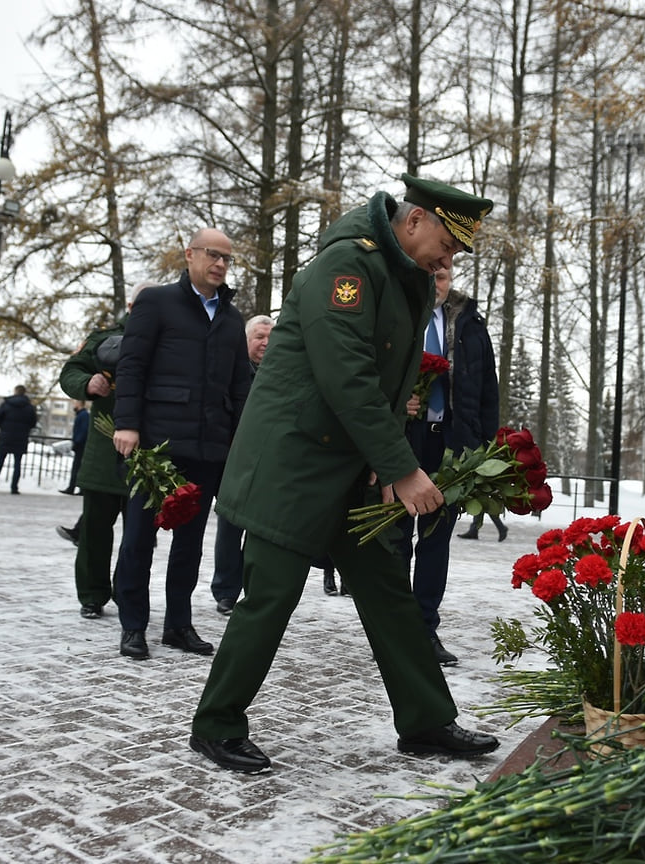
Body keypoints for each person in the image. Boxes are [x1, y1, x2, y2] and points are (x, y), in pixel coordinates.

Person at [189, 173, 500, 775]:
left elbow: (385, 382)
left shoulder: (399, 274)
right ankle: (216, 724)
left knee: (388, 592)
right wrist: (401, 467)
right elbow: (346, 376)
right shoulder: (347, 266)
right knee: (270, 597)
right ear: (414, 222)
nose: (451, 257)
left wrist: (384, 469)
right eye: (448, 242)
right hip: (294, 464)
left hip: (348, 470)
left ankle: (426, 720)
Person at [111, 230, 250, 660]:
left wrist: (241, 440)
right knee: (139, 537)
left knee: (189, 544)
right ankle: (133, 624)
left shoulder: (231, 319)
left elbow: (240, 386)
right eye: (213, 255)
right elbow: (132, 365)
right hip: (155, 446)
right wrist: (128, 424)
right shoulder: (157, 302)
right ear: (189, 255)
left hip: (207, 449)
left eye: (227, 258)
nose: (221, 264)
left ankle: (178, 625)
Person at [403, 267, 500, 667]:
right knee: (393, 540)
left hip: (451, 446)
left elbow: (487, 391)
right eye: (429, 274)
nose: (435, 282)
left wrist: (484, 451)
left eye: (442, 276)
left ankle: (424, 629)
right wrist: (396, 405)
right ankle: (395, 631)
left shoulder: (471, 324)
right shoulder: (399, 314)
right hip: (403, 442)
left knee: (436, 540)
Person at [57, 282, 151, 618]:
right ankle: (92, 595)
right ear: (129, 305)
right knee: (96, 530)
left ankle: (129, 594)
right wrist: (87, 383)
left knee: (139, 537)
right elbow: (70, 371)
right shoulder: (102, 339)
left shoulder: (172, 342)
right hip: (103, 449)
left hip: (149, 452)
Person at [211, 314, 273, 615]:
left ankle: (252, 587)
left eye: (270, 338)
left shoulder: (278, 373)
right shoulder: (234, 372)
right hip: (233, 461)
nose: (266, 343)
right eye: (259, 336)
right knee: (230, 527)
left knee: (260, 529)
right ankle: (225, 590)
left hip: (269, 463)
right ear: (246, 340)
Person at [0, 385, 37, 493]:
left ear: (15, 392)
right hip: (21, 437)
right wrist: (25, 429)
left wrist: (3, 427)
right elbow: (33, 422)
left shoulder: (7, 404)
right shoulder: (29, 407)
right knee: (17, 463)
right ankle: (14, 487)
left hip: (6, 436)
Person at [59, 401, 89, 495]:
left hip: (81, 445)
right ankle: (77, 488)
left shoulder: (83, 415)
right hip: (81, 444)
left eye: (75, 403)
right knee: (79, 467)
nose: (73, 405)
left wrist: (77, 442)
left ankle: (74, 488)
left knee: (77, 467)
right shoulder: (83, 415)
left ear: (80, 404)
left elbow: (83, 430)